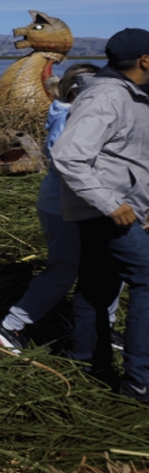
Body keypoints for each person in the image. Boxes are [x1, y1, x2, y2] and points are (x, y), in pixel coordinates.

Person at [54, 28, 149, 402]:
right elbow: (68, 155)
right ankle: (139, 380)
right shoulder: (108, 97)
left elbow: (131, 158)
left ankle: (84, 360)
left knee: (98, 284)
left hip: (118, 208)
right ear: (146, 61)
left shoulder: (131, 95)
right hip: (105, 210)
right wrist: (111, 204)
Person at [0, 64, 103, 353]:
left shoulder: (67, 112)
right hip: (68, 204)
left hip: (67, 202)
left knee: (97, 270)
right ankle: (11, 327)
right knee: (67, 270)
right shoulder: (72, 118)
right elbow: (71, 164)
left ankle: (100, 330)